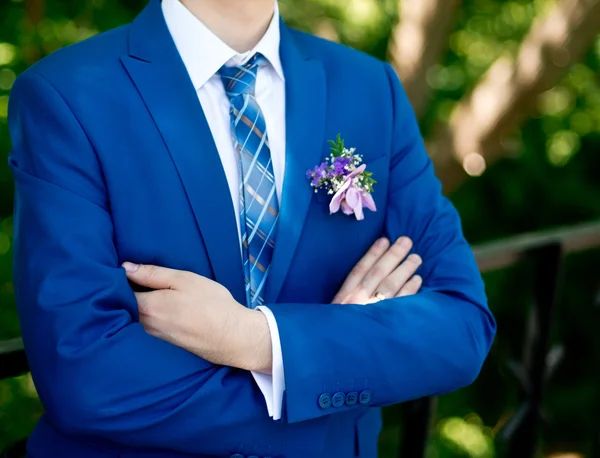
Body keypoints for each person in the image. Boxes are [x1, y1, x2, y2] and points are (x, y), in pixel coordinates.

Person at [7, 0, 496, 457]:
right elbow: (84, 375)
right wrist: (331, 374)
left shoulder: (370, 89)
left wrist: (254, 339)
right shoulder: (68, 94)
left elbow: (462, 325)